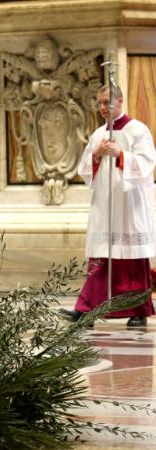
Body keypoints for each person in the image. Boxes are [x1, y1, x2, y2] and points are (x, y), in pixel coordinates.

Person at [60, 85, 156, 327]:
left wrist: (121, 154)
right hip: (105, 206)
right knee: (101, 259)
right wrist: (97, 154)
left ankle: (138, 311)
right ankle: (86, 310)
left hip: (128, 206)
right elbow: (84, 169)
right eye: (100, 103)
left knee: (132, 260)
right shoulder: (98, 134)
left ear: (120, 101)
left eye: (107, 102)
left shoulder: (138, 130)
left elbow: (147, 164)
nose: (102, 107)